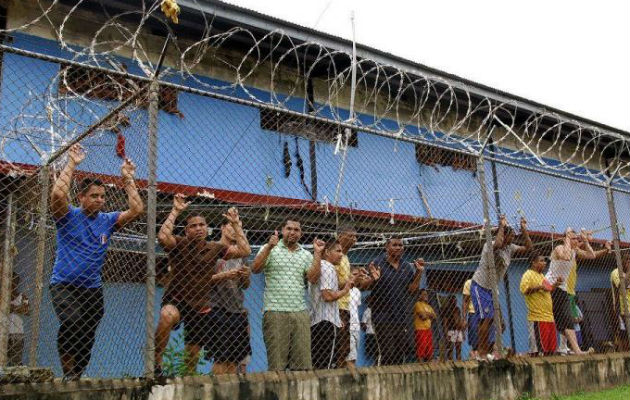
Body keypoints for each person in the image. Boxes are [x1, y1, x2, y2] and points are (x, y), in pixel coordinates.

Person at [49, 143, 143, 380]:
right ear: (81, 197)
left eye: (102, 196)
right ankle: (68, 371)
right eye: (94, 196)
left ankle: (78, 373)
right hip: (64, 284)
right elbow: (58, 194)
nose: (100, 200)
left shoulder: (108, 221)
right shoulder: (68, 216)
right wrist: (72, 163)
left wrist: (128, 178)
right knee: (72, 322)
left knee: (88, 331)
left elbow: (137, 209)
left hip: (92, 288)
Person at [154, 194, 250, 375]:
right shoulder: (180, 244)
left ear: (207, 229)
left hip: (200, 307)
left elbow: (245, 250)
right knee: (167, 315)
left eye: (202, 225)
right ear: (186, 231)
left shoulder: (215, 248)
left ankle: (188, 383)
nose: (198, 228)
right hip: (178, 300)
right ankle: (156, 362)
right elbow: (163, 237)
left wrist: (236, 224)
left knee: (192, 355)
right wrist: (175, 211)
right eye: (193, 226)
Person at [252, 219, 321, 371]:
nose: (292, 232)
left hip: (300, 312)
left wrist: (317, 253)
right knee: (277, 365)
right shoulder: (269, 248)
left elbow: (313, 278)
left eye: (296, 230)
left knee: (302, 365)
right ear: (282, 230)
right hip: (275, 310)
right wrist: (270, 246)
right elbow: (255, 268)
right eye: (289, 228)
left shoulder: (305, 254)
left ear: (301, 234)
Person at [470, 216, 532, 358]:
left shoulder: (510, 248)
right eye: (511, 235)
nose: (513, 238)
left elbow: (529, 248)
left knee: (494, 321)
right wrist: (502, 226)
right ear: (504, 234)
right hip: (480, 286)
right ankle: (481, 352)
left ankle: (487, 351)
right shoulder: (490, 245)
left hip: (491, 289)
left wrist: (524, 230)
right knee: (485, 319)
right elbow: (498, 243)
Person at [364, 236, 425, 365]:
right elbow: (364, 286)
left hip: (400, 317)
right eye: (395, 245)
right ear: (387, 247)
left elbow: (412, 290)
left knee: (400, 352)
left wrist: (419, 272)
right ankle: (382, 378)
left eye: (401, 245)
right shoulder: (377, 263)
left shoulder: (406, 266)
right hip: (382, 316)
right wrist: (373, 279)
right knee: (387, 352)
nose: (398, 248)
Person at [204, 219, 253, 375]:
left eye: (238, 227)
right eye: (230, 226)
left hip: (236, 309)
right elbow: (202, 280)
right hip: (217, 307)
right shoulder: (212, 248)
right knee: (221, 358)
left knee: (234, 360)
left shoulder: (242, 253)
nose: (234, 230)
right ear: (222, 227)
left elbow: (245, 286)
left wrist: (246, 276)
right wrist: (224, 275)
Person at [546, 228, 596, 355]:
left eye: (576, 238)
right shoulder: (559, 248)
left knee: (567, 321)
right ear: (565, 239)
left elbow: (592, 255)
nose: (576, 240)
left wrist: (585, 241)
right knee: (553, 321)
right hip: (550, 287)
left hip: (561, 289)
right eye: (573, 238)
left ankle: (577, 350)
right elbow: (566, 257)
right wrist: (567, 239)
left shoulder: (575, 250)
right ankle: (545, 350)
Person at [309, 238, 354, 369]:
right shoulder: (328, 268)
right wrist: (345, 290)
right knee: (326, 366)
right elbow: (327, 296)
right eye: (338, 251)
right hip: (326, 323)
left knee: (317, 364)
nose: (341, 254)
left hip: (317, 321)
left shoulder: (319, 266)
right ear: (327, 252)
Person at [520, 254, 561, 356]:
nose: (545, 263)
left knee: (550, 350)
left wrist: (556, 283)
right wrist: (539, 287)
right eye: (541, 261)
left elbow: (548, 289)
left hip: (549, 318)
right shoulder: (528, 274)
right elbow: (525, 290)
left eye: (545, 261)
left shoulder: (542, 276)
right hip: (537, 318)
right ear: (533, 263)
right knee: (537, 350)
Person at [334, 224, 357, 368]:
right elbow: (332, 282)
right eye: (351, 236)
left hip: (345, 306)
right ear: (340, 237)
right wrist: (350, 281)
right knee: (339, 347)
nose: (354, 240)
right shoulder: (336, 255)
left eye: (355, 237)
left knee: (345, 347)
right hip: (336, 306)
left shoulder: (346, 257)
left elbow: (346, 282)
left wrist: (354, 279)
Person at [8, 273, 29, 366]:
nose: (13, 283)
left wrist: (10, 307)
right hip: (3, 332)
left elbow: (26, 310)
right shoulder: (3, 296)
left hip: (17, 333)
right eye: (11, 281)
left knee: (16, 360)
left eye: (15, 281)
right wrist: (17, 308)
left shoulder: (22, 296)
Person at [611, 255, 630, 352]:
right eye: (628, 260)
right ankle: (624, 355)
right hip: (622, 311)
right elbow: (621, 287)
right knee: (624, 336)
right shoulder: (616, 272)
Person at [413, 289, 436, 362]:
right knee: (421, 348)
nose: (426, 296)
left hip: (428, 329)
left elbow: (435, 316)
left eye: (426, 294)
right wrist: (429, 315)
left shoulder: (429, 306)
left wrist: (426, 314)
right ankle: (421, 365)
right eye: (424, 294)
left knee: (429, 349)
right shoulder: (418, 304)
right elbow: (423, 317)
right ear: (420, 296)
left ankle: (429, 366)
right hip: (420, 329)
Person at [346, 276, 362, 368]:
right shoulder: (342, 289)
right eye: (354, 274)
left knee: (354, 356)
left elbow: (357, 306)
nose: (356, 277)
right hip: (348, 325)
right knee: (349, 356)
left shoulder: (357, 291)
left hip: (356, 325)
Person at [441, 296, 464, 361]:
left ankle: (459, 362)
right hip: (450, 330)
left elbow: (459, 320)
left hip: (457, 330)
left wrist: (462, 332)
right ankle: (450, 362)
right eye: (452, 300)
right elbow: (445, 322)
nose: (454, 302)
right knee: (450, 349)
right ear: (449, 301)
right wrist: (446, 333)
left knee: (458, 348)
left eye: (455, 300)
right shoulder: (446, 309)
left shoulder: (457, 309)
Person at [462, 278, 478, 359]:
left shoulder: (488, 281)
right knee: (474, 341)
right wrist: (464, 319)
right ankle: (474, 355)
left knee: (489, 339)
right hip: (473, 312)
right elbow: (465, 301)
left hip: (487, 313)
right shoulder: (469, 283)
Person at [361, 301, 378, 365]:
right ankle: (371, 364)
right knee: (372, 352)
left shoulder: (376, 310)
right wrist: (368, 328)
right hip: (371, 334)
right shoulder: (367, 311)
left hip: (374, 334)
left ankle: (375, 363)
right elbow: (363, 323)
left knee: (375, 352)